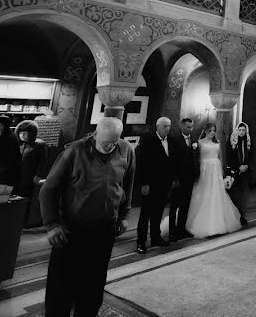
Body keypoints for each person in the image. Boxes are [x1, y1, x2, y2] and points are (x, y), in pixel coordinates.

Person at [40, 117, 134, 317]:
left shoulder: (126, 150)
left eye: (113, 142)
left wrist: (124, 215)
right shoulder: (74, 151)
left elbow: (127, 184)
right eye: (105, 142)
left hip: (105, 229)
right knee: (62, 284)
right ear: (95, 134)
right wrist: (52, 224)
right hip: (72, 229)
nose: (109, 147)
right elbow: (48, 189)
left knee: (94, 282)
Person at [185, 122, 241, 238]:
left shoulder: (217, 143)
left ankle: (219, 223)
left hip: (215, 169)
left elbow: (220, 158)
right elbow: (197, 158)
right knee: (205, 193)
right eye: (210, 130)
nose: (212, 133)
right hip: (205, 169)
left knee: (217, 193)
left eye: (214, 130)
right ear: (205, 131)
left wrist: (222, 173)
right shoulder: (199, 143)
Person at [135, 116, 176, 254]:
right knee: (145, 214)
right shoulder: (148, 140)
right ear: (158, 126)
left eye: (169, 126)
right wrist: (144, 183)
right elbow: (141, 163)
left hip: (164, 184)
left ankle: (155, 237)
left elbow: (172, 161)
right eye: (165, 126)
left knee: (158, 212)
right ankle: (141, 241)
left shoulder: (170, 140)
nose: (167, 128)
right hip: (150, 184)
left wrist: (173, 179)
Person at [169, 117, 197, 241]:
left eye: (192, 127)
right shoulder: (174, 140)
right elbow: (172, 160)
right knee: (174, 206)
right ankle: (172, 231)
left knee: (185, 205)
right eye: (188, 127)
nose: (190, 129)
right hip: (178, 179)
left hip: (189, 178)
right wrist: (174, 178)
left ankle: (181, 229)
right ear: (181, 126)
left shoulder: (193, 140)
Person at [227, 122, 254, 227]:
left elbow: (252, 155)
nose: (241, 132)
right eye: (240, 130)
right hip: (235, 172)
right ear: (236, 131)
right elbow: (229, 157)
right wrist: (238, 167)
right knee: (235, 196)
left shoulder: (249, 142)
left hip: (245, 173)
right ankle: (234, 216)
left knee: (244, 196)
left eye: (243, 130)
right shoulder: (231, 142)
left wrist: (246, 166)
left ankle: (242, 217)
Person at [13, 119, 47, 198]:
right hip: (18, 174)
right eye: (20, 133)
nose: (22, 135)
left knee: (26, 196)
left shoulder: (39, 144)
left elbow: (43, 162)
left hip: (30, 175)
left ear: (31, 133)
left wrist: (38, 175)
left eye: (25, 133)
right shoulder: (21, 144)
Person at [0, 115, 21, 187]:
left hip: (6, 177)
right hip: (5, 175)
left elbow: (8, 161)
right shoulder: (7, 137)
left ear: (0, 125)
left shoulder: (8, 139)